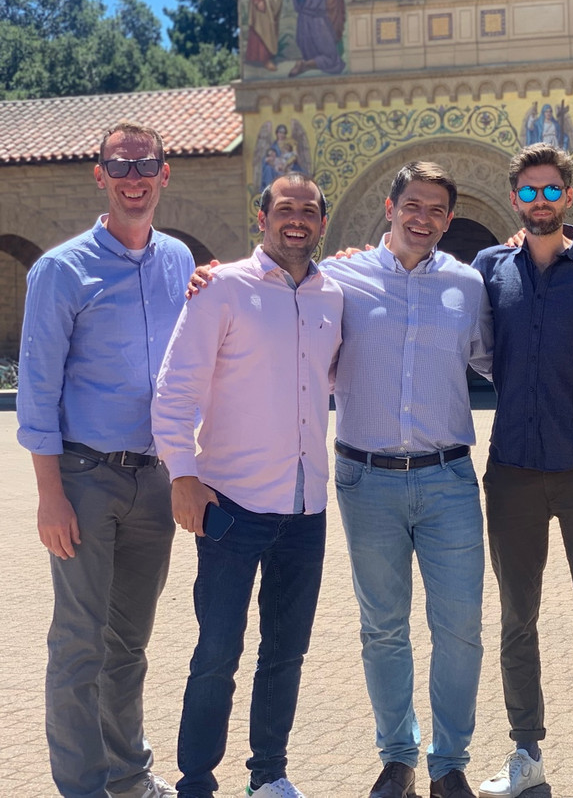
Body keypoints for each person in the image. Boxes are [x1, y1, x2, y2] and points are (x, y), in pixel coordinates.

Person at [153, 173, 342, 798]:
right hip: (230, 507)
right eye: (284, 209)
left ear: (322, 221)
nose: (297, 220)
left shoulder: (332, 295)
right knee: (216, 655)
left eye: (309, 211)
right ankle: (196, 782)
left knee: (285, 655)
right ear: (260, 216)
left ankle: (269, 776)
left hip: (307, 508)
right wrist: (182, 474)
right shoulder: (221, 289)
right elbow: (175, 390)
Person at [17, 121, 189, 798]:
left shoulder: (180, 262)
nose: (134, 177)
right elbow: (37, 388)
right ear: (100, 176)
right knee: (79, 645)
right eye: (119, 167)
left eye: (145, 164)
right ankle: (85, 787)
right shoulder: (61, 270)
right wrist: (49, 494)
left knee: (129, 645)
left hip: (155, 482)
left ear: (164, 174)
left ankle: (130, 777)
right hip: (85, 480)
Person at [470, 144, 573, 798]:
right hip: (512, 467)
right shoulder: (489, 268)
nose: (540, 202)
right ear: (516, 198)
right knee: (518, 616)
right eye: (529, 193)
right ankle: (526, 754)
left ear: (568, 196)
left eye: (551, 192)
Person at [324, 162, 493, 798]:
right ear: (390, 207)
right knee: (383, 627)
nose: (423, 219)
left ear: (449, 220)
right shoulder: (339, 277)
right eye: (412, 205)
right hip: (366, 480)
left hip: (448, 477)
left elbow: (499, 360)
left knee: (460, 628)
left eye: (437, 211)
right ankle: (397, 755)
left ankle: (449, 761)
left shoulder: (467, 284)